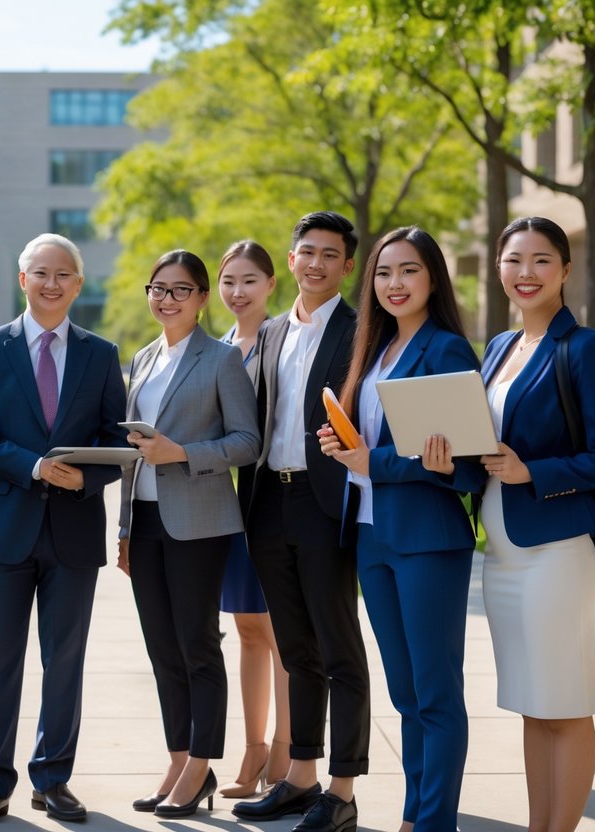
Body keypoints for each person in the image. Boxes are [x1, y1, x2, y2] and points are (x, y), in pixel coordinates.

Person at [0, 233, 127, 828]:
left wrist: (85, 480)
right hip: (5, 526)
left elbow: (115, 441)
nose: (51, 284)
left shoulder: (102, 354)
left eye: (63, 275)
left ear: (78, 285)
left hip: (74, 529)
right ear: (22, 279)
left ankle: (53, 778)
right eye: (40, 273)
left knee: (65, 660)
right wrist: (32, 466)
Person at [319, 226, 485, 832]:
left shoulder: (445, 350)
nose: (394, 283)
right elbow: (374, 444)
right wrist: (344, 445)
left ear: (433, 278)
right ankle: (416, 816)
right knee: (406, 695)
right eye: (384, 273)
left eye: (408, 271)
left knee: (436, 694)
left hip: (428, 540)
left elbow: (467, 464)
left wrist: (375, 462)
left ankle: (434, 821)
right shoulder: (375, 348)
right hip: (371, 535)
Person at [478, 217, 595, 832]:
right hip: (503, 553)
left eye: (542, 261)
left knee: (564, 704)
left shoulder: (586, 347)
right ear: (499, 268)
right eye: (514, 260)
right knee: (532, 704)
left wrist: (532, 472)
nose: (526, 273)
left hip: (555, 551)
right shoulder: (497, 349)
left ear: (566, 271)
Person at [233, 211, 371, 832]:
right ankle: (300, 778)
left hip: (325, 503)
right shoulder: (269, 333)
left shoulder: (363, 330)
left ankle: (341, 790)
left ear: (347, 267)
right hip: (268, 503)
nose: (315, 263)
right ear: (290, 260)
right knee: (295, 650)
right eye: (306, 251)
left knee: (338, 648)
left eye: (329, 255)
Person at [117, 249, 260, 817]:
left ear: (202, 299)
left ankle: (201, 765)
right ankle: (178, 759)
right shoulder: (144, 358)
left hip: (199, 523)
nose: (166, 299)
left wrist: (183, 454)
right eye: (158, 288)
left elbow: (247, 442)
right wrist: (125, 526)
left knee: (197, 645)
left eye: (180, 290)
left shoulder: (221, 360)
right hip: (146, 521)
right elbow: (132, 453)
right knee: (162, 649)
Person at [213, 240, 292, 798]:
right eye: (228, 282)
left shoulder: (284, 341)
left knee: (282, 630)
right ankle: (253, 748)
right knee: (244, 629)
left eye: (248, 281)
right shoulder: (214, 348)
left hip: (274, 501)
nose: (237, 292)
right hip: (224, 507)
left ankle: (288, 751)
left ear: (270, 283)